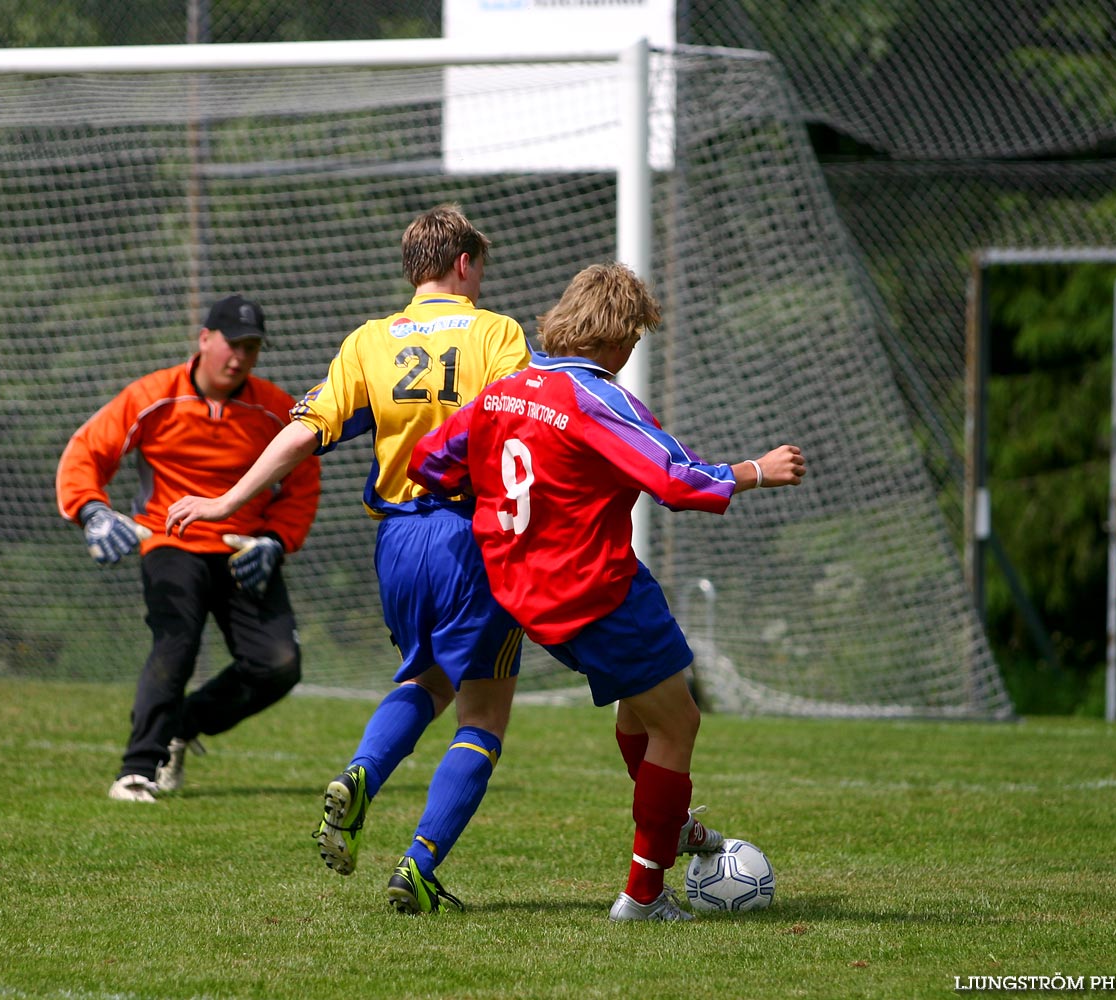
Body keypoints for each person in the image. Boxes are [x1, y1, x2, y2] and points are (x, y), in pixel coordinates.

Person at [407, 262, 806, 921]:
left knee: (640, 715)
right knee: (678, 723)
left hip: (523, 591)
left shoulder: (505, 389)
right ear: (619, 337)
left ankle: (670, 827)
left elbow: (429, 462)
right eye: (637, 337)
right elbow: (676, 480)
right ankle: (644, 895)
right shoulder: (597, 399)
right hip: (593, 589)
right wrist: (755, 471)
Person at [165, 205, 533, 914]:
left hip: (397, 544)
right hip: (471, 536)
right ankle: (420, 868)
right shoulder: (497, 333)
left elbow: (303, 432)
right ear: (463, 264)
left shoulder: (369, 341)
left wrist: (222, 500)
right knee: (483, 714)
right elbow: (518, 429)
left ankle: (362, 772)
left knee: (426, 680)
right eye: (480, 267)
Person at [55, 294, 320, 804]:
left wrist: (276, 541)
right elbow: (86, 450)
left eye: (252, 347)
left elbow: (304, 479)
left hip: (244, 548)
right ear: (204, 340)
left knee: (279, 664)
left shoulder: (274, 408)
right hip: (169, 539)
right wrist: (92, 511)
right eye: (232, 344)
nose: (240, 357)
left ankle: (182, 726)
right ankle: (137, 771)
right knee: (175, 644)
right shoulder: (153, 396)